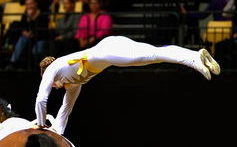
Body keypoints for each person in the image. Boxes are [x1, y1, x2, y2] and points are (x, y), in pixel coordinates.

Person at [34, 36, 221, 133]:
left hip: (108, 50)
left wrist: (41, 125)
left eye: (52, 85)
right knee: (153, 55)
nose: (54, 87)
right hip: (109, 47)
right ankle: (195, 55)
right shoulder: (73, 84)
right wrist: (58, 131)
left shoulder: (54, 67)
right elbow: (66, 109)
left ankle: (193, 60)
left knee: (152, 55)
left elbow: (41, 99)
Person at [7, 0, 51, 68]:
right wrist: (24, 31)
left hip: (40, 38)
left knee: (36, 51)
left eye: (31, 4)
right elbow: (22, 27)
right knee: (22, 39)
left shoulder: (42, 14)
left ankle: (41, 67)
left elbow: (41, 29)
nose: (29, 6)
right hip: (29, 38)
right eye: (27, 4)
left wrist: (31, 20)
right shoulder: (26, 15)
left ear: (35, 4)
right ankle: (12, 62)